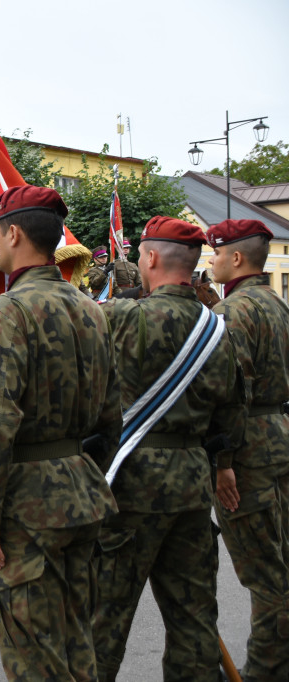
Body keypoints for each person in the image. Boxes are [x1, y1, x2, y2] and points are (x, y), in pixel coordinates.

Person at [0, 186, 120, 680]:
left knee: (33, 654)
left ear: (12, 233)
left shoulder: (10, 311)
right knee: (78, 641)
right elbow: (113, 413)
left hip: (27, 505)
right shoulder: (91, 308)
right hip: (82, 492)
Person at [93, 216, 245, 682]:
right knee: (194, 617)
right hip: (193, 484)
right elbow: (231, 413)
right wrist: (222, 466)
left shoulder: (121, 317)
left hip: (131, 485)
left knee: (103, 619)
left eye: (140, 255)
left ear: (153, 258)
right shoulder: (219, 330)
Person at [209, 219, 289, 680]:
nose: (213, 262)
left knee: (264, 574)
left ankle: (264, 670)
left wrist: (223, 462)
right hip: (277, 434)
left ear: (235, 258)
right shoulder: (276, 304)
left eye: (217, 253)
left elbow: (231, 392)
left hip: (249, 451)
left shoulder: (235, 311)